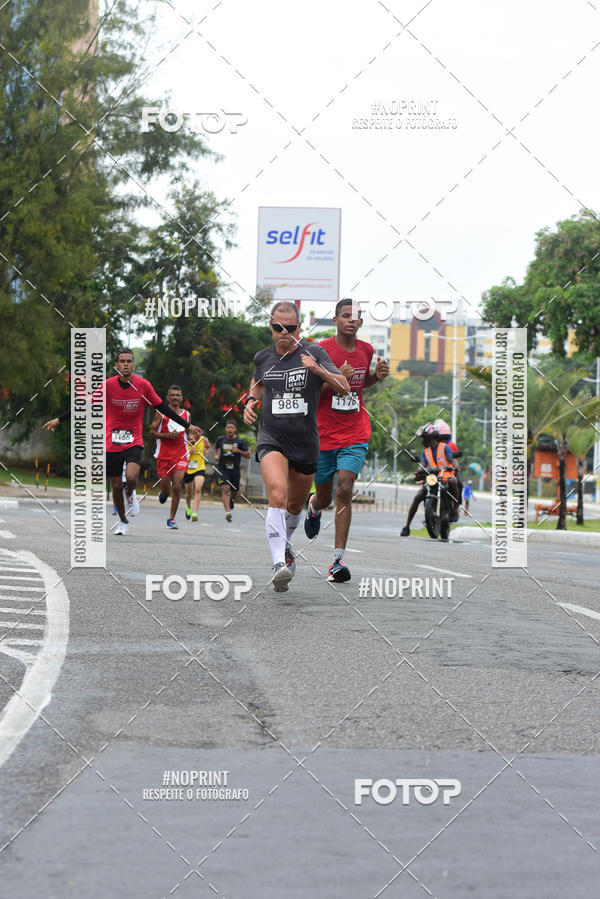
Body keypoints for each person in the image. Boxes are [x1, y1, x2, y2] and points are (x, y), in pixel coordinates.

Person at [243, 301, 349, 591]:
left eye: (290, 328)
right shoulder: (262, 358)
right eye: (278, 327)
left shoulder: (313, 353)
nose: (284, 333)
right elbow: (257, 384)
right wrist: (250, 403)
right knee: (276, 494)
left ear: (299, 327)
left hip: (305, 444)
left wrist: (318, 370)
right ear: (270, 326)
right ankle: (279, 563)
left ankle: (286, 548)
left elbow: (344, 386)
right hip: (272, 439)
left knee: (293, 505)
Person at [42, 349, 199, 535]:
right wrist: (59, 420)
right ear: (116, 365)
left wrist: (187, 426)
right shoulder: (108, 385)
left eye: (129, 361)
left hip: (134, 439)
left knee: (131, 478)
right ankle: (123, 521)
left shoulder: (143, 386)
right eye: (122, 361)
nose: (125, 364)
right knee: (116, 485)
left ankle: (130, 494)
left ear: (133, 365)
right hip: (112, 441)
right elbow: (85, 404)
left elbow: (163, 408)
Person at [303, 298, 389, 582]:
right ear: (336, 320)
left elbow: (359, 383)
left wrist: (376, 377)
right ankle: (315, 506)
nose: (351, 320)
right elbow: (312, 392)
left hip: (355, 430)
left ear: (361, 322)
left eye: (356, 317)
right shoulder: (322, 350)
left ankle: (337, 561)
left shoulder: (366, 350)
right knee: (326, 496)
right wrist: (336, 377)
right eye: (345, 316)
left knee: (345, 487)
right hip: (324, 433)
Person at [400, 423, 459, 536]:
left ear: (429, 436)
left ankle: (455, 510)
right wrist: (418, 471)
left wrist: (455, 466)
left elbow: (452, 460)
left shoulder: (445, 447)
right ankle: (407, 527)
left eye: (423, 437)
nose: (422, 439)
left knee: (454, 481)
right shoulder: (425, 452)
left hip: (445, 477)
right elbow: (422, 465)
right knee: (418, 496)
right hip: (432, 478)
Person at [149, 385, 191, 529]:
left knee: (178, 485)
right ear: (167, 398)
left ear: (181, 398)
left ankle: (171, 519)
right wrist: (167, 436)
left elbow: (188, 433)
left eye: (177, 395)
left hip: (180, 455)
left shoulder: (186, 414)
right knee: (166, 490)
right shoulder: (160, 413)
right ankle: (164, 492)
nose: (175, 397)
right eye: (172, 395)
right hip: (164, 456)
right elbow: (152, 433)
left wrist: (192, 439)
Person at [213, 421, 250, 522]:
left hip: (235, 470)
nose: (230, 429)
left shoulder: (240, 442)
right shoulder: (221, 439)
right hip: (223, 469)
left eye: (232, 428)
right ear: (225, 429)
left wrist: (238, 451)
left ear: (235, 429)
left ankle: (232, 500)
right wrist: (216, 455)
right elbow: (215, 446)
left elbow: (248, 454)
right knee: (225, 488)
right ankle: (228, 512)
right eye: (228, 427)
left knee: (234, 491)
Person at [184, 427, 211, 521]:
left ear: (201, 432)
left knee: (198, 489)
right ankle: (188, 507)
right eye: (194, 431)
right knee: (188, 494)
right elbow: (180, 452)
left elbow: (208, 447)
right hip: (188, 468)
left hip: (199, 467)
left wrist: (207, 453)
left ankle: (195, 513)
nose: (197, 433)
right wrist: (188, 452)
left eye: (199, 431)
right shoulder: (186, 439)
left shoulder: (204, 440)